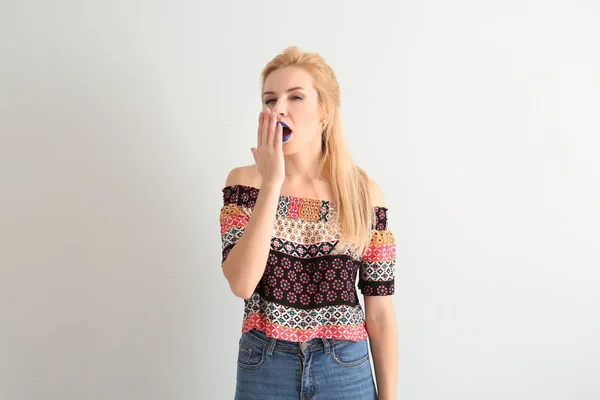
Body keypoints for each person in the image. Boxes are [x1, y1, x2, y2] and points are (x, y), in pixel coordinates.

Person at [219, 46, 398, 400]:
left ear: (324, 113)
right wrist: (272, 182)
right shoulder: (244, 184)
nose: (278, 109)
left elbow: (379, 311)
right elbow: (241, 283)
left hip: (345, 367)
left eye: (295, 96)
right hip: (265, 365)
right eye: (269, 99)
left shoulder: (363, 193)